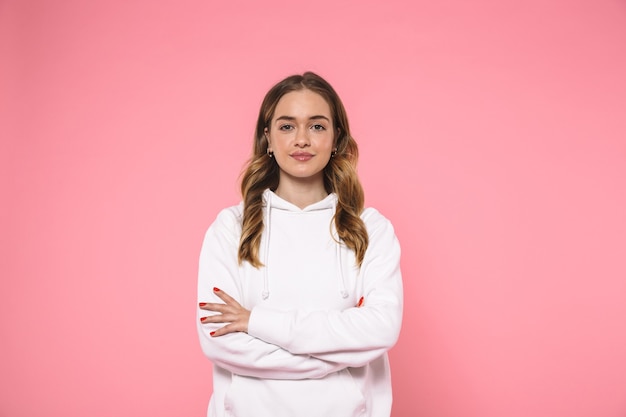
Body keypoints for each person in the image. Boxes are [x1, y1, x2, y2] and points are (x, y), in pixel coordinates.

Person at [197, 71, 403, 417]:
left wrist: (256, 322)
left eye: (318, 126)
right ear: (268, 137)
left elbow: (381, 328)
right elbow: (220, 341)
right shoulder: (230, 228)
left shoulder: (371, 229)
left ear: (337, 137)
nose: (302, 140)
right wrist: (333, 361)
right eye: (287, 126)